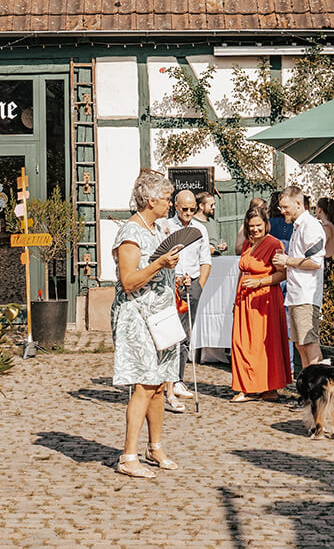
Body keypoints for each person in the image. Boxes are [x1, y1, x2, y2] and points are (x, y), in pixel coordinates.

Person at [110, 171, 182, 478]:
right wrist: (159, 264)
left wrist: (174, 271)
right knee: (144, 384)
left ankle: (155, 446)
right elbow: (128, 281)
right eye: (166, 198)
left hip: (161, 316)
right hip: (136, 317)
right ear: (150, 200)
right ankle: (128, 455)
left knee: (159, 383)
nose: (170, 203)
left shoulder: (157, 229)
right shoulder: (131, 232)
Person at [230, 206, 291, 402]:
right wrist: (235, 298)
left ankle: (268, 387)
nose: (255, 229)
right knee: (242, 343)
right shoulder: (248, 244)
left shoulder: (274, 244)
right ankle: (246, 385)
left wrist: (259, 282)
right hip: (244, 298)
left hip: (265, 299)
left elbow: (283, 273)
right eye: (251, 226)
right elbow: (242, 270)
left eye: (258, 226)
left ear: (266, 224)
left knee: (262, 344)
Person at [160, 189, 211, 412]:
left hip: (192, 284)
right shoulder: (166, 226)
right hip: (171, 283)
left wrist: (200, 284)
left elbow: (205, 260)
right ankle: (164, 380)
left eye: (192, 209)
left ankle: (178, 379)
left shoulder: (200, 229)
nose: (188, 213)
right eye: (184, 209)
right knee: (170, 334)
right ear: (176, 206)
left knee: (186, 334)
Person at [273, 186, 325, 369]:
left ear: (298, 204)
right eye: (281, 207)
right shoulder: (297, 227)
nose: (282, 211)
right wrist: (287, 264)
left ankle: (316, 390)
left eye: (285, 207)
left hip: (306, 294)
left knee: (309, 343)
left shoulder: (310, 226)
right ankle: (308, 389)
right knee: (300, 344)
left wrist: (289, 260)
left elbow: (316, 262)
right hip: (296, 295)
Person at [194, 191, 228, 256]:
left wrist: (222, 246)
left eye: (214, 204)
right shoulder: (192, 223)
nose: (214, 207)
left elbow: (215, 243)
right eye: (211, 205)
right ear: (201, 206)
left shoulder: (212, 222)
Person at [316, 197, 334, 262]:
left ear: (319, 209)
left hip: (327, 262)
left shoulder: (326, 228)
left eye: (315, 208)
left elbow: (317, 249)